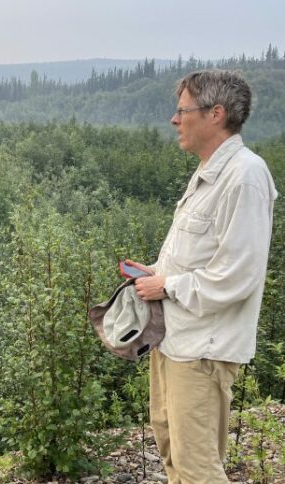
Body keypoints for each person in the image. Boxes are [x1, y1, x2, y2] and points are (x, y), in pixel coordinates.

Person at [127, 70, 278, 483]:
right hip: (175, 340)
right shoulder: (211, 172)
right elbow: (203, 258)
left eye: (183, 110)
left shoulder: (245, 176)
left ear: (216, 114)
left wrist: (167, 285)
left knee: (197, 468)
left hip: (202, 351)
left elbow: (238, 275)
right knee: (174, 454)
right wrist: (157, 273)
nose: (174, 119)